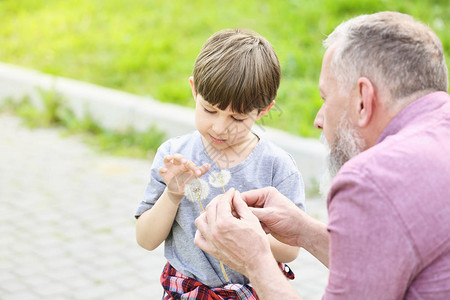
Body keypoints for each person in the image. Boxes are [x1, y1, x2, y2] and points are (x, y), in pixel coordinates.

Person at [194, 11, 450, 299]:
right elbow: (377, 260)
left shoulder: (373, 180)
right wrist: (304, 231)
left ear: (364, 100)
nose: (318, 119)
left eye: (325, 98)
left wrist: (255, 260)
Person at [135, 28, 306, 299]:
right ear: (194, 90)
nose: (219, 127)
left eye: (237, 119)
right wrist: (172, 194)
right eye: (209, 110)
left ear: (263, 111)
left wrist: (241, 237)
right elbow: (145, 239)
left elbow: (291, 249)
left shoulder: (277, 166)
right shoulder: (173, 155)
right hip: (187, 292)